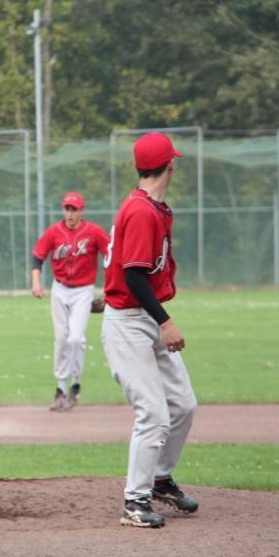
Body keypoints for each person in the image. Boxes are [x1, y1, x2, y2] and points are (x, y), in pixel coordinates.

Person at [101, 132, 198, 529]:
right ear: (170, 165)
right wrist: (166, 321)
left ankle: (159, 478)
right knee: (154, 413)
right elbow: (134, 275)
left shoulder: (149, 206)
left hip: (143, 317)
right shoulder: (141, 211)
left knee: (183, 405)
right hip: (130, 322)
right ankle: (134, 501)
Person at [31, 191, 110, 411]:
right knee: (62, 339)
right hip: (59, 290)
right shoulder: (54, 232)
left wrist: (109, 292)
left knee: (76, 338)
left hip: (84, 291)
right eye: (67, 208)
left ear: (82, 211)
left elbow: (111, 256)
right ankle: (60, 389)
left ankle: (75, 384)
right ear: (63, 210)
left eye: (75, 209)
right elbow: (38, 256)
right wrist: (36, 283)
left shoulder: (93, 232)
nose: (70, 213)